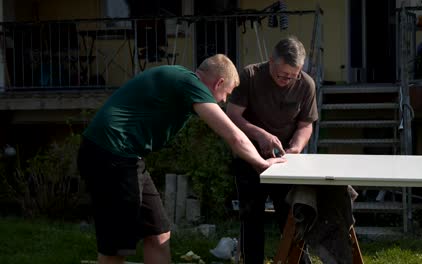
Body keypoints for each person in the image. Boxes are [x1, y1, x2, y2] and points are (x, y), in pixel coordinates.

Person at [77, 54, 286, 264]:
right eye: (227, 94)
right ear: (219, 83)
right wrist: (261, 164)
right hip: (110, 155)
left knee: (158, 232)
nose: (223, 101)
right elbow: (234, 136)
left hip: (128, 157)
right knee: (116, 246)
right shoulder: (190, 83)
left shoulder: (182, 82)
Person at [226, 36, 318, 264]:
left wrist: (295, 149)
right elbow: (232, 116)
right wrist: (260, 135)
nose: (287, 80)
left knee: (291, 218)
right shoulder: (250, 75)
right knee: (251, 218)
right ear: (271, 62)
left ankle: (299, 262)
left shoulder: (306, 84)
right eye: (282, 74)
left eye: (292, 76)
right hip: (249, 158)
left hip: (285, 162)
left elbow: (306, 124)